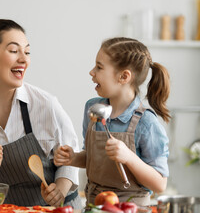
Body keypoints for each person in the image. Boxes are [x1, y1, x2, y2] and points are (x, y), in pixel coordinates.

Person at [0, 19, 82, 208]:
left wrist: (59, 190)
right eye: (14, 51)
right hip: (4, 210)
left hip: (55, 209)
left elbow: (70, 155)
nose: (24, 59)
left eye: (27, 52)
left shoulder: (45, 104)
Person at [54, 37, 170, 206]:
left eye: (99, 67)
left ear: (124, 76)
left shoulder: (146, 122)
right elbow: (92, 158)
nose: (91, 72)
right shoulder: (93, 107)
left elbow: (160, 184)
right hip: (94, 206)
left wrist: (129, 157)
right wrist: (73, 158)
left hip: (132, 208)